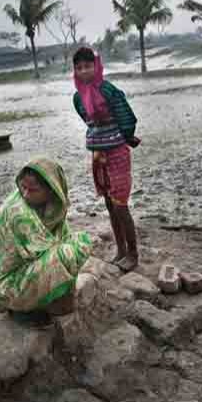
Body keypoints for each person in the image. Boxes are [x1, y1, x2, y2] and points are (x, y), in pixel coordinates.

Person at [0, 157, 91, 323]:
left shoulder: (52, 206)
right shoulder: (19, 214)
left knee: (71, 244)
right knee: (73, 250)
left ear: (52, 190)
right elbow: (52, 255)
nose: (25, 194)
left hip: (22, 269)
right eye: (23, 187)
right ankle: (22, 306)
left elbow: (61, 237)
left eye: (32, 190)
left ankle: (43, 302)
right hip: (6, 284)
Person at [72, 47, 142, 272]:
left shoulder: (109, 90)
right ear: (75, 70)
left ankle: (133, 254)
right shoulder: (78, 97)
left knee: (121, 204)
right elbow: (88, 122)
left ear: (96, 66)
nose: (84, 71)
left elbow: (126, 116)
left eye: (88, 66)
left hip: (117, 153)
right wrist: (102, 137)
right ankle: (120, 249)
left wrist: (127, 137)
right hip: (98, 154)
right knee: (110, 204)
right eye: (79, 67)